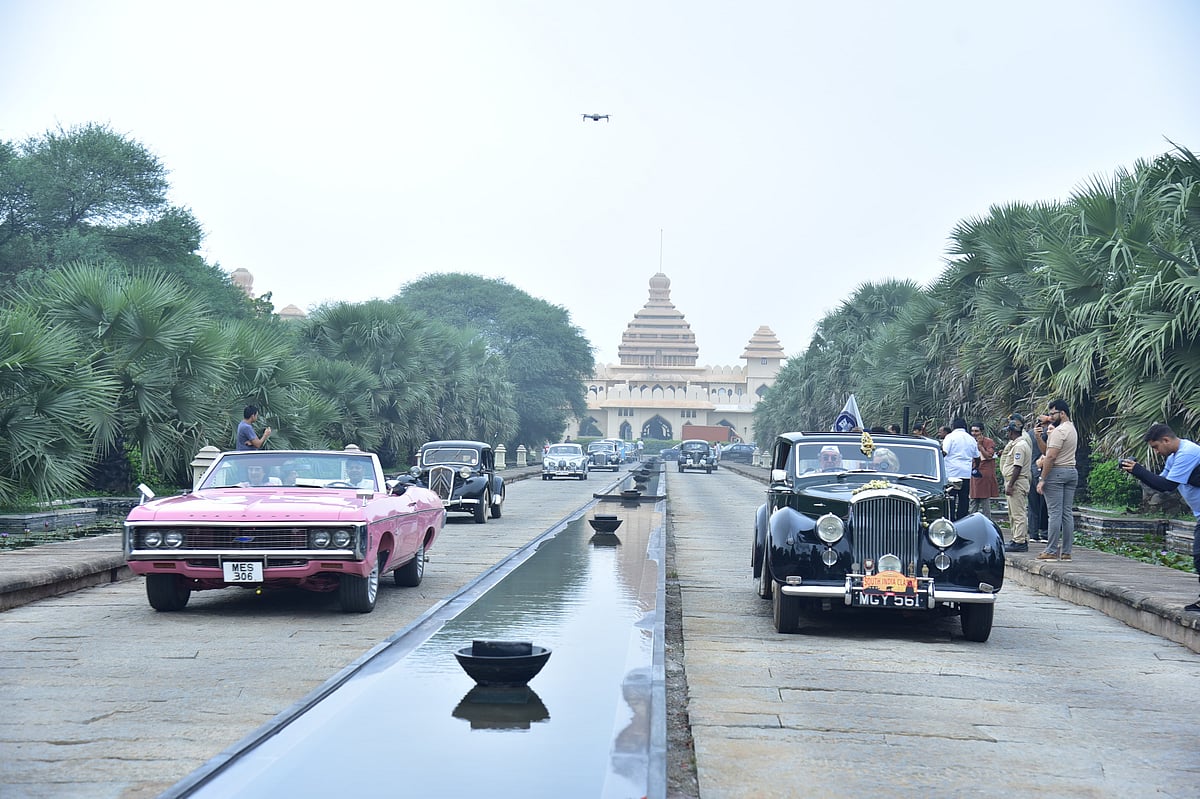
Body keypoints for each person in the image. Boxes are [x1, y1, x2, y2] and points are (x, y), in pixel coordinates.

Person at [1121, 423, 1200, 611]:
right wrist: (1135, 472)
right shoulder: (1174, 457)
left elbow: (1168, 486)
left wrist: (1139, 470)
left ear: (1166, 440)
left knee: (1199, 556)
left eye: (1156, 447)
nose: (1156, 452)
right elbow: (1159, 484)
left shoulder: (1187, 453)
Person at [1035, 399, 1078, 561]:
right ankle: (1066, 551)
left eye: (1053, 414)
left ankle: (1051, 550)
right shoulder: (1071, 429)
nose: (1050, 417)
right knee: (1067, 513)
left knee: (1054, 513)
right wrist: (1039, 438)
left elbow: (1051, 456)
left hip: (1057, 473)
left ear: (1062, 413)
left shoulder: (1059, 432)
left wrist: (1042, 478)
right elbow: (1048, 450)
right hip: (1071, 471)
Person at [1011, 412, 1047, 542]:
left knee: (1033, 505)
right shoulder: (1049, 433)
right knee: (1044, 504)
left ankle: (1033, 533)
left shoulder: (1028, 434)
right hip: (1043, 471)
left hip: (1030, 471)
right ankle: (1044, 533)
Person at [999, 422, 1032, 551]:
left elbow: (1017, 466)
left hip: (1017, 482)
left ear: (1012, 432)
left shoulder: (1019, 446)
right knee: (1014, 513)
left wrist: (1011, 484)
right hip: (1016, 481)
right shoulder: (1020, 444)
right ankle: (1017, 538)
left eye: (1008, 431)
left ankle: (1020, 541)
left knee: (1018, 513)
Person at [942, 417, 978, 521]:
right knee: (964, 499)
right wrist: (975, 467)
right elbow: (977, 457)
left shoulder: (950, 437)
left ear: (953, 426)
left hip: (951, 473)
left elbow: (944, 452)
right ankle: (962, 520)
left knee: (950, 498)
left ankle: (950, 519)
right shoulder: (971, 439)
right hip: (966, 473)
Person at [969, 423, 999, 520]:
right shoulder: (969, 441)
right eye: (972, 431)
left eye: (976, 431)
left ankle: (987, 522)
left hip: (984, 474)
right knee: (973, 499)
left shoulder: (988, 442)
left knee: (984, 500)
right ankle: (971, 522)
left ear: (981, 431)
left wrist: (980, 446)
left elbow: (988, 456)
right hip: (974, 473)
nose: (974, 433)